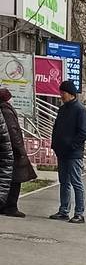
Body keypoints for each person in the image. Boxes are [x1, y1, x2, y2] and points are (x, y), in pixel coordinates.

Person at [50, 80, 86, 222]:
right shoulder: (62, 109)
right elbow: (57, 128)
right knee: (64, 182)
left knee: (76, 182)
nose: (61, 95)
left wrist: (71, 145)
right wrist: (55, 144)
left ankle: (79, 213)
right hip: (62, 152)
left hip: (74, 154)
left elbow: (84, 133)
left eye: (63, 93)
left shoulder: (80, 110)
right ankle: (63, 211)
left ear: (71, 94)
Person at [0, 87, 36, 216]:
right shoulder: (6, 111)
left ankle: (5, 205)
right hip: (12, 152)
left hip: (6, 150)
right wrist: (20, 149)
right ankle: (11, 207)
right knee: (15, 179)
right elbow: (12, 131)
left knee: (7, 178)